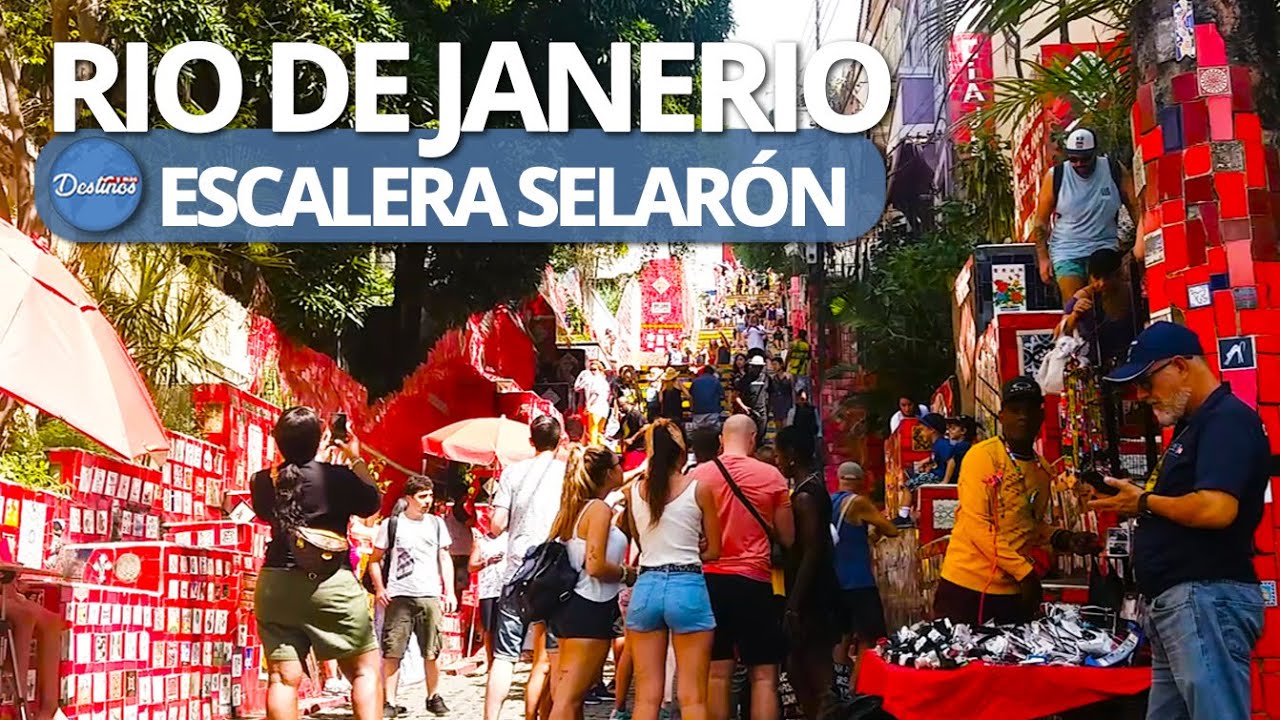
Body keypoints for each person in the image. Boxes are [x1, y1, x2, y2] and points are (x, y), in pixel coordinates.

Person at [1088, 322, 1268, 720]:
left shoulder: (1226, 420)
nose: (1142, 395)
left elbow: (1217, 509)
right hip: (1182, 604)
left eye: (1147, 381)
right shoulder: (1197, 425)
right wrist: (1134, 499)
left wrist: (1145, 502)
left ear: (1182, 367)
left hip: (1204, 599)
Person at [250, 407, 383, 720]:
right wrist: (355, 456)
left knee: (282, 678)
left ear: (278, 441)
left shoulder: (263, 481)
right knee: (365, 671)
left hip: (276, 584)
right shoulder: (338, 478)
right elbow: (371, 503)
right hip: (331, 582)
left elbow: (274, 503)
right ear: (319, 438)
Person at [934, 379, 1101, 625]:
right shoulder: (982, 456)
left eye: (1030, 410)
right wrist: (1024, 573)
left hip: (1013, 592)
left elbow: (1028, 525)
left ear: (1041, 417)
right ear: (1001, 416)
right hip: (967, 587)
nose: (1023, 417)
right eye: (1015, 410)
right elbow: (977, 524)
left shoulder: (1042, 469)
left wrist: (1064, 538)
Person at [687, 415, 795, 720]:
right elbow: (787, 537)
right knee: (763, 676)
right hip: (755, 581)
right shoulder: (771, 476)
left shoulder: (698, 476)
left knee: (717, 673)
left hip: (710, 581)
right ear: (752, 439)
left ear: (722, 439)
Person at [624, 420, 723, 720]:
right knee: (692, 697)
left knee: (646, 697)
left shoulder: (635, 492)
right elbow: (715, 551)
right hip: (687, 584)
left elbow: (640, 542)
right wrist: (695, 547)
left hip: (647, 585)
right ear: (683, 453)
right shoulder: (699, 489)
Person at [484, 416, 568, 720]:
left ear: (530, 441)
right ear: (560, 442)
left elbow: (498, 524)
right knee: (556, 656)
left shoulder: (512, 473)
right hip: (556, 572)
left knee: (505, 656)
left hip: (517, 571)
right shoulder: (568, 473)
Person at [548, 445, 632, 720]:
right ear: (608, 473)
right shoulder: (598, 509)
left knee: (570, 694)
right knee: (570, 695)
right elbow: (595, 565)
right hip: (591, 604)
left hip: (574, 604)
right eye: (618, 464)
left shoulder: (576, 508)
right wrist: (627, 573)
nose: (622, 469)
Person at [370, 476, 455, 717]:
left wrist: (449, 590)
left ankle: (433, 695)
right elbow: (375, 561)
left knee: (432, 650)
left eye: (430, 495)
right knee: (393, 650)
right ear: (409, 498)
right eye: (422, 496)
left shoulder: (436, 524)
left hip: (429, 593)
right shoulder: (392, 525)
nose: (427, 501)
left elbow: (444, 557)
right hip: (399, 595)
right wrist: (380, 588)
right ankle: (390, 701)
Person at [774, 426, 841, 720]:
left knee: (811, 665)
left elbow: (812, 550)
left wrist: (794, 604)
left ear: (790, 455)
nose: (776, 459)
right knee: (803, 664)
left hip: (811, 594)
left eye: (778, 453)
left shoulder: (805, 497)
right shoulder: (809, 489)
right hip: (813, 590)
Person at [1031, 127, 1137, 304]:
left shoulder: (1113, 169)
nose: (1079, 164)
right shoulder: (1056, 176)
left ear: (1095, 153)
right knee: (1076, 306)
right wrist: (1043, 259)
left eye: (1085, 159)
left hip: (1104, 248)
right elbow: (1041, 223)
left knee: (1115, 307)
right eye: (1074, 159)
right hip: (1068, 251)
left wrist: (1142, 240)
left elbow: (1134, 206)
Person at [830, 462, 898, 693]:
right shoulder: (858, 502)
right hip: (859, 582)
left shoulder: (830, 502)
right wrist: (876, 529)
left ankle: (839, 686)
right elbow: (891, 529)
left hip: (835, 581)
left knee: (842, 637)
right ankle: (856, 690)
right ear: (860, 481)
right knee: (868, 640)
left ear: (839, 478)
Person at [0, 542, 63, 720]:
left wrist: (13, 581)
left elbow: (8, 567)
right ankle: (21, 706)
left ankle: (49, 706)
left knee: (52, 621)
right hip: (5, 597)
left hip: (6, 593)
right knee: (24, 616)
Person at [1056, 247, 1139, 367]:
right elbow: (1060, 332)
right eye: (1097, 278)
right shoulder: (1082, 296)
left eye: (1107, 277)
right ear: (1090, 276)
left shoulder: (1131, 292)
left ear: (1119, 273)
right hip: (1092, 363)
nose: (1102, 283)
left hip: (1129, 358)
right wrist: (1075, 314)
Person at [468, 526, 507, 670]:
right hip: (488, 589)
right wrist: (487, 562)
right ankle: (491, 663)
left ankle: (504, 660)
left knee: (505, 625)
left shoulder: (509, 537)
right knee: (489, 628)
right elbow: (471, 566)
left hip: (506, 586)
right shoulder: (481, 541)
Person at [732, 356, 770, 446]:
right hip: (749, 412)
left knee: (760, 436)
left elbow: (770, 393)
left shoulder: (766, 378)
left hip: (762, 411)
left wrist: (768, 407)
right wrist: (744, 407)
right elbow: (736, 395)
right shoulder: (745, 379)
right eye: (755, 366)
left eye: (759, 366)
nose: (757, 369)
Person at [576, 360, 613, 445]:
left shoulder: (597, 380)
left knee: (593, 430)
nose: (592, 371)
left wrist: (588, 405)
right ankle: (601, 449)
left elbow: (595, 394)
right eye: (590, 369)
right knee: (598, 432)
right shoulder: (603, 382)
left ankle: (594, 448)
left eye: (594, 369)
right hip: (603, 409)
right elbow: (577, 388)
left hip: (595, 407)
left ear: (600, 370)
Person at [445, 498, 474, 601]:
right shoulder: (458, 509)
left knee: (455, 579)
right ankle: (456, 603)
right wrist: (473, 511)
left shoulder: (453, 510)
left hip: (455, 548)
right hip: (461, 549)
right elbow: (470, 522)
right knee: (460, 580)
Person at [941, 415, 977, 484]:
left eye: (953, 428)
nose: (950, 431)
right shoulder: (967, 445)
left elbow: (952, 462)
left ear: (963, 431)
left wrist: (945, 481)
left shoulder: (961, 446)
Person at [690, 365, 725, 431]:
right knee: (713, 433)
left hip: (698, 411)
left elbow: (691, 395)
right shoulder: (715, 381)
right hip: (713, 411)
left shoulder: (695, 381)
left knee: (698, 433)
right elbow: (722, 395)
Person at [766, 358, 793, 434]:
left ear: (781, 365)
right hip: (776, 404)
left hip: (786, 403)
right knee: (778, 427)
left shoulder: (789, 377)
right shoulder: (772, 378)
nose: (773, 366)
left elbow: (793, 390)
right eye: (772, 364)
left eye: (775, 364)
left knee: (786, 426)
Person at [786, 329, 812, 395]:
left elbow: (788, 355)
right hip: (802, 369)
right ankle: (802, 398)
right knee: (801, 387)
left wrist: (785, 366)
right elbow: (809, 358)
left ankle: (794, 402)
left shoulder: (793, 343)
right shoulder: (807, 345)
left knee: (793, 388)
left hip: (793, 368)